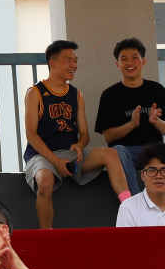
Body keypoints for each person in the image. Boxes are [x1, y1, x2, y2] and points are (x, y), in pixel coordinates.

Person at [23, 40, 130, 229]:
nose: (74, 65)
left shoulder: (77, 95)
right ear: (53, 63)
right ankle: (46, 236)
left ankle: (130, 207)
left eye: (75, 60)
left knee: (111, 153)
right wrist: (56, 161)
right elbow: (31, 134)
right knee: (45, 184)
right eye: (69, 60)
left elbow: (85, 134)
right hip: (42, 156)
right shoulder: (35, 92)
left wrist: (79, 146)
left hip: (70, 158)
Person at [95, 38, 165, 195]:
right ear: (117, 64)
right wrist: (131, 125)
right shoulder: (110, 95)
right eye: (124, 59)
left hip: (156, 151)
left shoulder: (157, 90)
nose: (129, 63)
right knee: (118, 151)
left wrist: (156, 121)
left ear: (143, 61)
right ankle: (135, 202)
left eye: (134, 58)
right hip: (127, 154)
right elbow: (107, 136)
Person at [117, 142, 165, 227]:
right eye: (152, 170)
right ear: (142, 175)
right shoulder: (128, 207)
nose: (159, 176)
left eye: (164, 170)